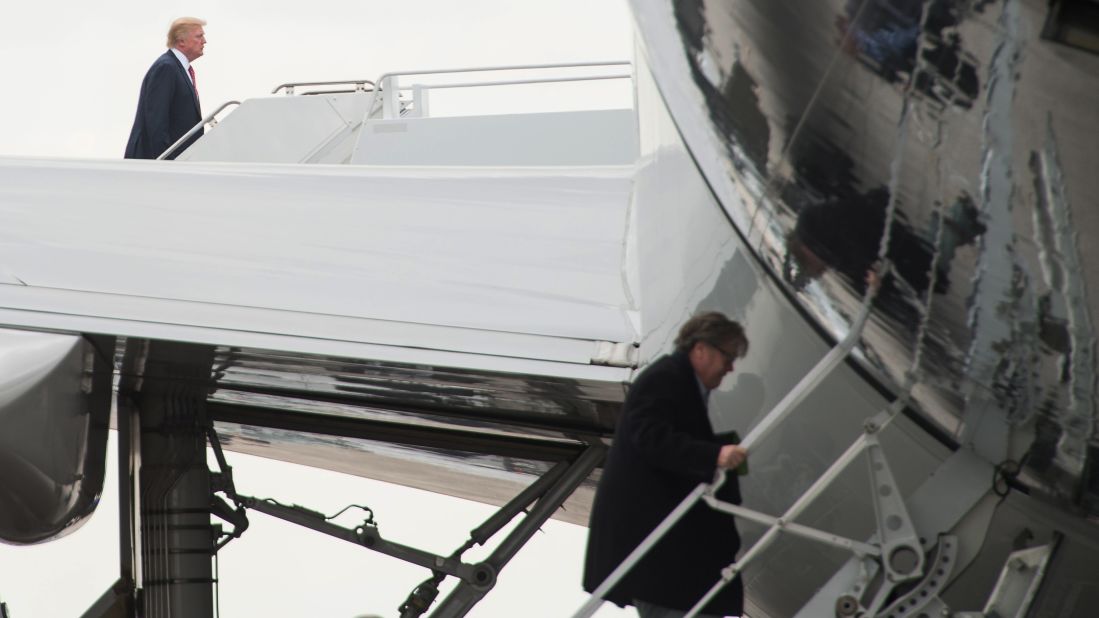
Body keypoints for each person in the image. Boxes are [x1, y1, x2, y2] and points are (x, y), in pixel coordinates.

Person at [583, 312, 750, 618]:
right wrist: (714, 456)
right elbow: (650, 438)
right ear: (701, 349)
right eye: (728, 357)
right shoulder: (664, 379)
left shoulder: (676, 380)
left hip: (668, 558)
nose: (730, 367)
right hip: (661, 557)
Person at [124, 17, 207, 160]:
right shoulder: (166, 67)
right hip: (158, 164)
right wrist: (166, 164)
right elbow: (157, 122)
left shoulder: (179, 69)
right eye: (199, 36)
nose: (204, 41)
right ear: (181, 41)